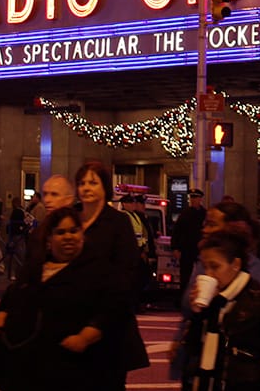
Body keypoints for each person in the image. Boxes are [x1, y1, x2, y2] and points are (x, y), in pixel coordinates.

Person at [0, 206, 137, 391]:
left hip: (78, 371)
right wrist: (1, 316)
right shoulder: (34, 269)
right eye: (60, 232)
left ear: (82, 235)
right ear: (49, 240)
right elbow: (12, 296)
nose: (68, 237)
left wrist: (87, 335)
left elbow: (114, 308)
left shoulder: (98, 271)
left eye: (73, 231)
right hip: (29, 368)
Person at [74, 161, 151, 386]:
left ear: (104, 187)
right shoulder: (72, 220)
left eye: (93, 183)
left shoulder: (118, 223)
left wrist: (100, 321)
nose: (86, 188)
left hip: (109, 324)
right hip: (76, 318)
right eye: (82, 183)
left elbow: (126, 274)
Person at [181, 229, 260, 391]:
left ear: (236, 265)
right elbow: (192, 348)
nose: (208, 273)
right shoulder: (211, 298)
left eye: (215, 267)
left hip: (244, 383)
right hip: (205, 381)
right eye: (205, 266)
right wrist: (197, 313)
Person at [173, 189, 208, 293]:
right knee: (185, 275)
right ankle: (183, 295)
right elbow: (177, 231)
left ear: (200, 199)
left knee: (202, 274)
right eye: (191, 198)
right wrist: (175, 248)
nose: (192, 200)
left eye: (195, 198)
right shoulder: (185, 214)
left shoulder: (205, 214)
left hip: (200, 250)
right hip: (187, 249)